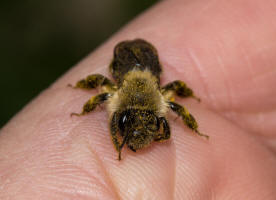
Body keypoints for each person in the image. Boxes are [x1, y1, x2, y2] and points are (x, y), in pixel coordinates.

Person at [1, 0, 276, 199]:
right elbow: (100, 92)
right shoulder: (120, 95)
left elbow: (177, 97)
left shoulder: (158, 100)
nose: (140, 129)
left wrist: (193, 115)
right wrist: (89, 116)